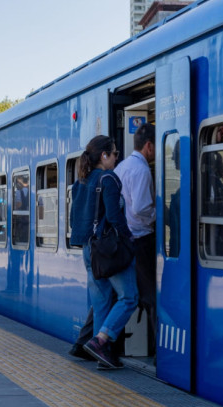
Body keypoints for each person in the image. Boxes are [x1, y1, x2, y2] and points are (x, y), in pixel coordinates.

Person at [69, 135, 138, 369]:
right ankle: (100, 341)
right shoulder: (108, 178)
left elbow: (74, 221)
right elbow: (115, 217)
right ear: (104, 156)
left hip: (88, 250)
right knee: (129, 297)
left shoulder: (80, 182)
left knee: (101, 303)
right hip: (108, 250)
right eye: (115, 153)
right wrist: (129, 238)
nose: (117, 158)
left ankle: (102, 358)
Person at [114, 123, 157, 356]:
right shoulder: (141, 170)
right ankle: (159, 349)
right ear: (149, 146)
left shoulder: (121, 167)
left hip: (125, 241)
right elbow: (141, 208)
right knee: (151, 296)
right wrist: (159, 215)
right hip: (141, 240)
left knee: (128, 295)